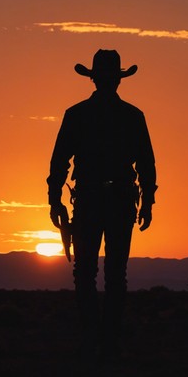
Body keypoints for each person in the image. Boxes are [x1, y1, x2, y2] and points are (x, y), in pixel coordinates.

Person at [47, 49, 157, 356]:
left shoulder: (79, 114)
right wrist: (147, 201)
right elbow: (146, 164)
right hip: (114, 201)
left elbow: (59, 162)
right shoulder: (131, 116)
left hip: (94, 200)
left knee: (89, 271)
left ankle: (96, 336)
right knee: (109, 272)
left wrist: (54, 200)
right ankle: (105, 338)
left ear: (94, 78)